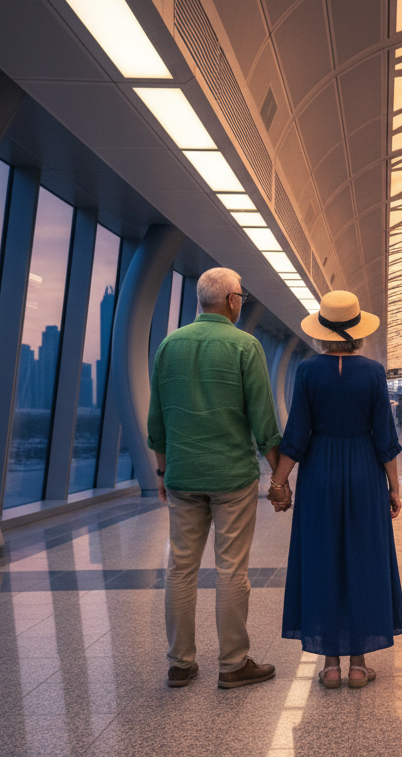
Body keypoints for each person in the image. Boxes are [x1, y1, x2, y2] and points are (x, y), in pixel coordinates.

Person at [148, 267, 282, 689]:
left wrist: (162, 471)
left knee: (180, 569)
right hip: (232, 477)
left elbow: (157, 420)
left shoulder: (169, 345)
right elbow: (263, 419)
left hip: (183, 475)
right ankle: (232, 663)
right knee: (231, 571)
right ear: (230, 301)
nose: (241, 302)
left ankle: (180, 664)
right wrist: (280, 478)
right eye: (241, 296)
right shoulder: (245, 346)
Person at [267, 290, 402, 689]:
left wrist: (279, 482)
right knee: (364, 559)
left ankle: (329, 664)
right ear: (359, 332)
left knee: (322, 558)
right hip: (364, 472)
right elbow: (385, 438)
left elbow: (296, 438)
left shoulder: (308, 372)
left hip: (320, 475)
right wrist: (394, 487)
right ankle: (359, 664)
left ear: (322, 332)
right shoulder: (374, 373)